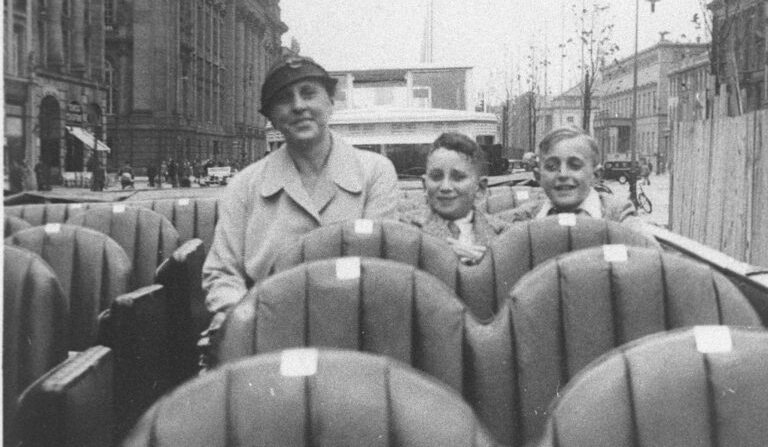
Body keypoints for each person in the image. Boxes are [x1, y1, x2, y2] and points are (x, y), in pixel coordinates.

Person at [202, 54, 399, 321]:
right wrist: (244, 321)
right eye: (284, 99)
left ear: (330, 103)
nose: (298, 106)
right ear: (270, 117)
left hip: (352, 326)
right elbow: (222, 273)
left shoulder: (375, 172)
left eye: (308, 94)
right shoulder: (244, 185)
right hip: (264, 325)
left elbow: (382, 267)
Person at [399, 132, 509, 264]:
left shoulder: (505, 235)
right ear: (424, 184)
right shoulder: (403, 230)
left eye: (458, 177)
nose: (445, 187)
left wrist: (489, 266)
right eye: (436, 176)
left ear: (480, 188)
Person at [510, 126, 639, 223]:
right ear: (538, 177)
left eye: (575, 166)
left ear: (596, 175)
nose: (563, 174)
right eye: (551, 167)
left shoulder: (617, 214)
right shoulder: (526, 217)